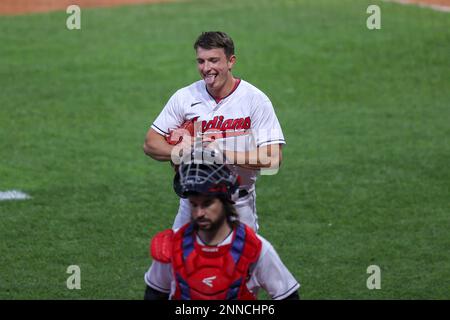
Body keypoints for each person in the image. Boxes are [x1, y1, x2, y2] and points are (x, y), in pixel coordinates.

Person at [143, 31, 286, 232]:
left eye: (213, 60)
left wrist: (220, 154)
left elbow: (273, 158)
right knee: (177, 260)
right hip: (194, 204)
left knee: (239, 262)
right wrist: (184, 152)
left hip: (238, 204)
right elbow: (150, 143)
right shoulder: (184, 97)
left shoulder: (255, 100)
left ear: (231, 61)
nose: (206, 68)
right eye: (201, 61)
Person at [144, 159, 300, 300]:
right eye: (194, 204)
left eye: (207, 204)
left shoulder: (254, 248)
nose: (199, 213)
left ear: (226, 200)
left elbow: (287, 295)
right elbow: (154, 294)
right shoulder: (171, 245)